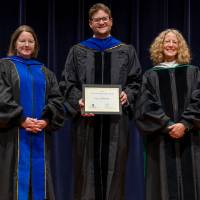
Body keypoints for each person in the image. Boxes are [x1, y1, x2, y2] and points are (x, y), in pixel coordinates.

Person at [59, 3, 141, 200]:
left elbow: (136, 81)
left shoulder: (126, 50)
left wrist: (127, 95)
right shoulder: (78, 51)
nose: (101, 22)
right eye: (97, 19)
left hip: (115, 124)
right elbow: (67, 82)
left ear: (111, 21)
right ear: (90, 24)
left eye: (105, 18)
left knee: (116, 171)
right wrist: (78, 101)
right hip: (87, 123)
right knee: (85, 172)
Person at [0, 25, 64, 200]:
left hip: (39, 135)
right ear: (15, 43)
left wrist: (46, 120)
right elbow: (1, 98)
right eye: (22, 41)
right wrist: (20, 119)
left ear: (35, 45)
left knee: (39, 182)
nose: (26, 44)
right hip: (12, 136)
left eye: (30, 41)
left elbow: (57, 100)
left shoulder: (45, 72)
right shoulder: (4, 67)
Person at [135, 28, 200, 200]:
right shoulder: (150, 76)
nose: (170, 45)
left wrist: (185, 124)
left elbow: (199, 100)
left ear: (180, 47)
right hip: (161, 140)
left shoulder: (193, 72)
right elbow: (144, 106)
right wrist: (167, 124)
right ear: (160, 46)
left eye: (174, 42)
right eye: (167, 41)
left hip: (190, 138)